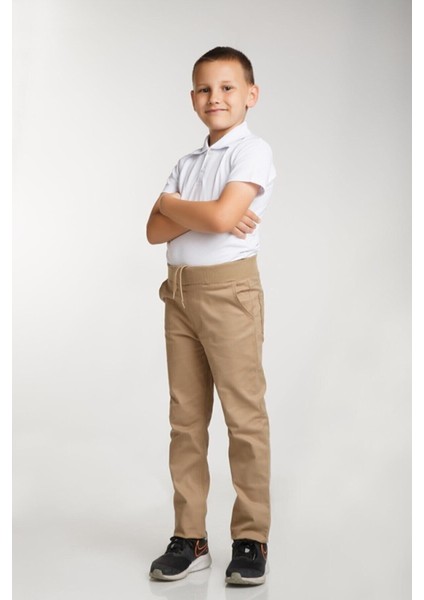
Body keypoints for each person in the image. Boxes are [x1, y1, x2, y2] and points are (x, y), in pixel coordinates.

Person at [146, 46, 276, 586]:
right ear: (193, 97)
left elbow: (221, 218)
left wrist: (175, 205)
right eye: (204, 89)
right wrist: (205, 212)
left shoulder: (253, 151)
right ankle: (190, 537)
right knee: (185, 420)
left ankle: (251, 537)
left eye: (226, 88)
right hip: (178, 294)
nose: (214, 97)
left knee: (243, 418)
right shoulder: (189, 162)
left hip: (228, 294)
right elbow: (153, 231)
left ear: (250, 95)